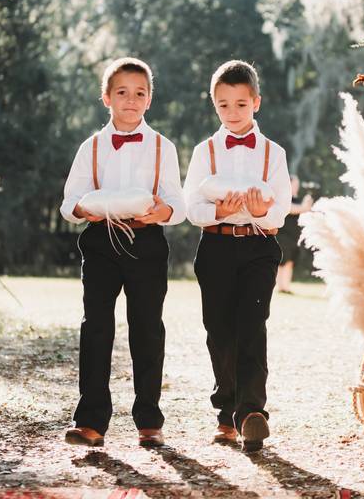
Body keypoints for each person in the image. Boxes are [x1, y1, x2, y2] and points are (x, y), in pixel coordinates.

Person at [59, 57, 186, 449]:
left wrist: (156, 212)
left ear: (149, 100)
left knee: (147, 328)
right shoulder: (91, 147)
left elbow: (175, 206)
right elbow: (70, 203)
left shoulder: (163, 147)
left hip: (146, 243)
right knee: (96, 326)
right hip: (100, 242)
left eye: (139, 93)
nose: (130, 101)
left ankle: (149, 419)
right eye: (122, 93)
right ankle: (91, 420)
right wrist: (92, 207)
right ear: (106, 98)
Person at [183, 60, 291, 452]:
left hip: (260, 246)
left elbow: (281, 210)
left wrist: (260, 211)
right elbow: (191, 206)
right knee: (219, 331)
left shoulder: (273, 153)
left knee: (252, 325)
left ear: (256, 103)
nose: (233, 113)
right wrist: (222, 212)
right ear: (214, 105)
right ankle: (224, 410)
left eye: (241, 104)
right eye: (224, 105)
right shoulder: (204, 152)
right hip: (215, 245)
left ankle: (250, 413)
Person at [275, 175, 313, 294]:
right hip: (283, 236)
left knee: (290, 262)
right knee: (282, 262)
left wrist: (308, 203)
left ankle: (285, 287)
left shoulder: (297, 200)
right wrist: (305, 206)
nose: (296, 186)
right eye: (294, 184)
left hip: (294, 237)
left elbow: (305, 210)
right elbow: (293, 209)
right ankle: (279, 287)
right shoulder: (283, 199)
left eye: (297, 184)